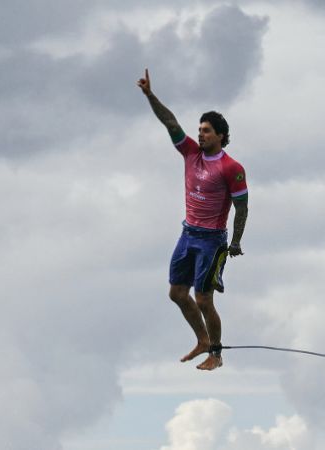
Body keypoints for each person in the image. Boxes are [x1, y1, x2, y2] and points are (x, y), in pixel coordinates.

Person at [138, 68, 249, 371]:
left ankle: (216, 352)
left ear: (221, 136)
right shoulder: (190, 153)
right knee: (176, 293)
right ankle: (201, 339)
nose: (200, 134)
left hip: (212, 241)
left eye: (207, 131)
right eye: (199, 129)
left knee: (203, 299)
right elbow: (170, 121)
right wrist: (150, 95)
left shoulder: (231, 167)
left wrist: (236, 241)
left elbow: (242, 207)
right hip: (188, 234)